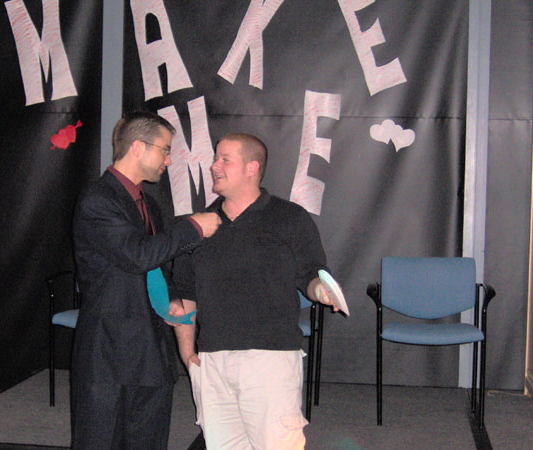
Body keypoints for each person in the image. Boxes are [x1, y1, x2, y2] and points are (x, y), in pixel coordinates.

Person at [173, 133, 338, 449]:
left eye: (225, 159)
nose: (214, 166)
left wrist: (322, 289)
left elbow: (312, 274)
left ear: (252, 168)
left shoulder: (289, 217)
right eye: (215, 158)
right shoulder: (198, 225)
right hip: (212, 360)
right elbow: (185, 291)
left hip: (270, 359)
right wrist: (187, 352)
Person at [70, 111, 221, 450]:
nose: (169, 160)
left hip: (149, 348)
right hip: (109, 351)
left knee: (148, 439)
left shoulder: (147, 203)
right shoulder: (99, 200)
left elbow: (155, 264)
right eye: (164, 150)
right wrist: (193, 227)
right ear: (137, 147)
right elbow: (136, 254)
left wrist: (170, 297)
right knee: (101, 440)